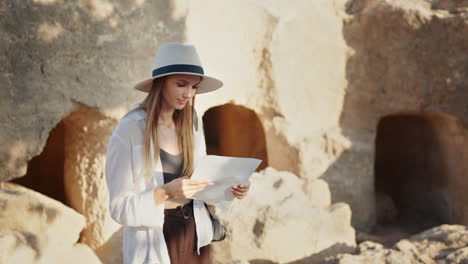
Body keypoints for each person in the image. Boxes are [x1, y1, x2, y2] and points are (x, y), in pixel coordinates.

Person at [105, 42, 251, 264]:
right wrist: (164, 192)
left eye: (194, 87)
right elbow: (119, 208)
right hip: (157, 240)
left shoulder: (192, 121)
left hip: (196, 236)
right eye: (181, 84)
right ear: (161, 83)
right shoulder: (130, 129)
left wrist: (231, 187)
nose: (189, 94)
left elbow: (202, 182)